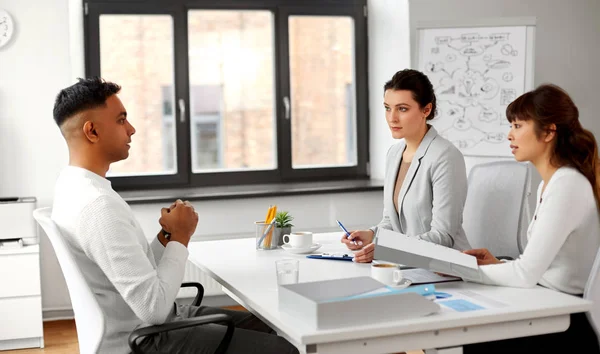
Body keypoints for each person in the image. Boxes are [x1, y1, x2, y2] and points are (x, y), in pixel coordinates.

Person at [50, 77, 298, 354]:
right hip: (147, 338)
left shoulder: (72, 187)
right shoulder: (98, 206)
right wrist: (181, 236)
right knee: (283, 349)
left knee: (262, 324)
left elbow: (131, 272)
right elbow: (153, 309)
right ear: (92, 131)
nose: (131, 130)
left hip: (149, 324)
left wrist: (166, 236)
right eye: (121, 120)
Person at [461, 84, 600, 353]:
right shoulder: (549, 184)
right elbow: (536, 269)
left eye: (518, 125)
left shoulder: (567, 185)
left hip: (563, 323)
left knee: (470, 340)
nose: (509, 135)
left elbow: (525, 274)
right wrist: (498, 264)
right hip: (544, 304)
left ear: (548, 132)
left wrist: (464, 270)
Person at [343, 69, 471, 262]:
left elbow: (443, 236)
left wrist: (387, 249)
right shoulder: (394, 154)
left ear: (426, 110)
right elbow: (392, 222)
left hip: (444, 266)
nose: (392, 117)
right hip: (406, 264)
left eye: (402, 109)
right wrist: (371, 235)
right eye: (387, 108)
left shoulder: (445, 156)